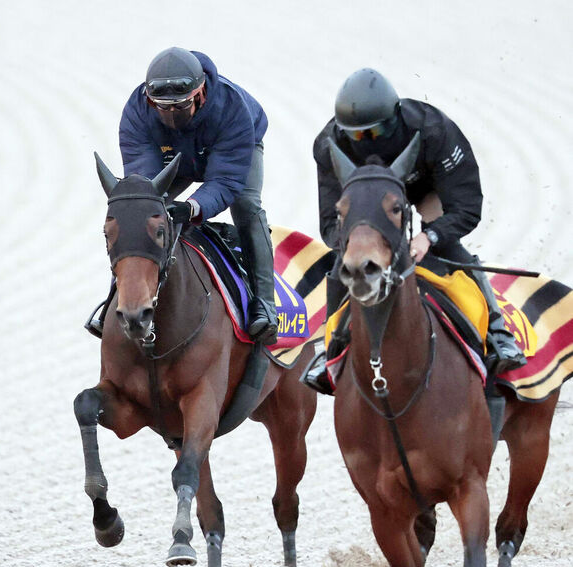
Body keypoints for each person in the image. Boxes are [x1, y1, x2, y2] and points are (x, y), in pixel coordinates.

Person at [303, 67, 526, 393]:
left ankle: (497, 332)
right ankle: (332, 347)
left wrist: (429, 236)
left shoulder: (434, 131)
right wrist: (359, 244)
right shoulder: (329, 146)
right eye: (358, 136)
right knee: (344, 266)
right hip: (366, 202)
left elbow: (466, 207)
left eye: (376, 132)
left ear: (395, 118)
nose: (368, 142)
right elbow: (329, 222)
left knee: (449, 253)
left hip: (425, 189)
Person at [86, 47, 278, 345]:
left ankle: (265, 304)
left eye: (180, 106)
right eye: (163, 107)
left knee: (248, 208)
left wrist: (192, 208)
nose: (172, 114)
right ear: (149, 100)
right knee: (139, 213)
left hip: (230, 145)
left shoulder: (232, 108)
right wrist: (154, 207)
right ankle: (116, 298)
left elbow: (225, 181)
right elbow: (145, 187)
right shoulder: (136, 112)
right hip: (174, 153)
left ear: (200, 94)